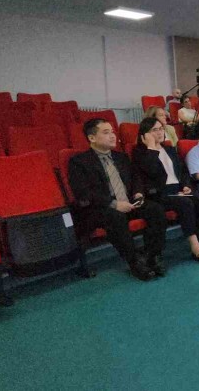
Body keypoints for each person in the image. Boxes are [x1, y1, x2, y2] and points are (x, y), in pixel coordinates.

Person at [69, 119, 167, 281]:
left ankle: (153, 255)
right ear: (92, 138)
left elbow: (135, 178)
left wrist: (138, 193)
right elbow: (84, 193)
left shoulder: (121, 157)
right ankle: (134, 262)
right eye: (106, 132)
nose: (112, 136)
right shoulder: (79, 162)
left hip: (128, 203)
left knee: (155, 209)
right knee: (115, 216)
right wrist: (114, 204)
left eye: (113, 132)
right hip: (101, 208)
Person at [131, 118, 199, 265]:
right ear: (145, 135)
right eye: (155, 130)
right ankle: (195, 246)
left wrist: (186, 185)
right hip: (159, 193)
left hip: (177, 190)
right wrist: (151, 148)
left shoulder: (169, 149)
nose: (160, 132)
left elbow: (183, 171)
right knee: (185, 203)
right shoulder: (140, 153)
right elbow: (151, 172)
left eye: (161, 128)